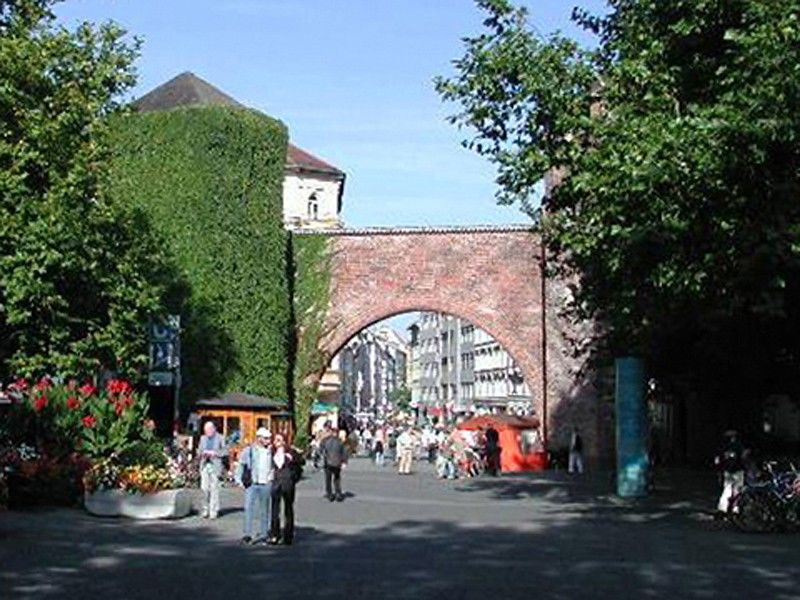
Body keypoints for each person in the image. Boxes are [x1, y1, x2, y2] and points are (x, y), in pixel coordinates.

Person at [235, 428, 273, 544]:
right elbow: (241, 464)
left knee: (264, 510)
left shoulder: (270, 451)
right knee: (248, 508)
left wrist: (271, 478)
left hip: (265, 483)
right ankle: (247, 534)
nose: (268, 440)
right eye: (266, 438)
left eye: (269, 438)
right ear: (259, 438)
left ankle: (264, 534)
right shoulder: (249, 450)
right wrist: (239, 480)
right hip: (252, 483)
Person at [269, 432, 300, 545]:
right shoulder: (271, 452)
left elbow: (301, 463)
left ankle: (288, 536)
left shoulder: (291, 452)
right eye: (275, 439)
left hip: (288, 483)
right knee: (274, 510)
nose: (276, 442)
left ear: (284, 441)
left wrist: (293, 459)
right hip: (275, 483)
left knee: (288, 509)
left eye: (279, 440)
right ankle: (274, 534)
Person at [198, 421, 226, 519]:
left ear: (214, 429)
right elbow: (199, 451)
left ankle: (213, 511)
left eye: (209, 430)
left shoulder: (220, 438)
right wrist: (203, 453)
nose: (207, 432)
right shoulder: (202, 438)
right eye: (205, 430)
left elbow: (225, 451)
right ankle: (205, 509)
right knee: (204, 489)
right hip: (205, 465)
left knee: (214, 489)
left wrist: (215, 453)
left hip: (215, 465)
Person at [715, 430, 745, 515]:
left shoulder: (723, 447)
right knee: (737, 490)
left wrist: (719, 469)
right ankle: (735, 509)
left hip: (727, 470)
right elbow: (743, 457)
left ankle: (722, 509)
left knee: (726, 490)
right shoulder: (739, 446)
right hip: (738, 470)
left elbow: (718, 459)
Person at [319, 423, 348, 501]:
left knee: (328, 479)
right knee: (337, 479)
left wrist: (322, 456)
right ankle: (338, 493)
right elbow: (344, 452)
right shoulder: (340, 442)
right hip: (337, 463)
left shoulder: (325, 440)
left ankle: (330, 494)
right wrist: (344, 461)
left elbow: (321, 449)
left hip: (328, 462)